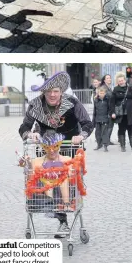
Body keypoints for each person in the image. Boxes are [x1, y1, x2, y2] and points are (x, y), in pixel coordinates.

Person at [18, 71, 93, 235]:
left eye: (56, 91)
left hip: (68, 147)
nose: (52, 94)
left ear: (61, 91)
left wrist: (81, 136)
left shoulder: (72, 103)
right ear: (43, 92)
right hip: (48, 149)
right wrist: (31, 134)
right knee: (49, 183)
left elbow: (88, 124)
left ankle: (67, 210)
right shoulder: (35, 105)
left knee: (68, 183)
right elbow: (23, 127)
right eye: (49, 91)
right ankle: (62, 220)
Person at [110, 72, 132, 152]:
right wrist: (112, 112)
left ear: (124, 80)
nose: (121, 82)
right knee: (121, 129)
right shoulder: (115, 89)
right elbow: (112, 102)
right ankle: (123, 146)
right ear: (117, 81)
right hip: (120, 113)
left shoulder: (131, 88)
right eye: (119, 81)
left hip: (130, 112)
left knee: (131, 129)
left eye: (122, 80)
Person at [93, 86, 110, 151]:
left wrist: (109, 117)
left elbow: (109, 109)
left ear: (105, 93)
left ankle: (105, 145)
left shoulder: (107, 100)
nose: (101, 94)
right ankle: (99, 144)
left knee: (104, 132)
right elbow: (94, 111)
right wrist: (93, 120)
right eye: (100, 93)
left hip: (105, 119)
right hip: (98, 119)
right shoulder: (96, 100)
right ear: (98, 93)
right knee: (97, 132)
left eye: (103, 93)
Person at [100, 74, 116, 145]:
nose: (109, 79)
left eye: (110, 78)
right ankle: (105, 141)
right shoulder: (104, 88)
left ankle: (107, 140)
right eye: (107, 78)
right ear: (104, 80)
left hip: (110, 108)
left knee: (110, 125)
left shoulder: (109, 88)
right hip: (106, 109)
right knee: (108, 125)